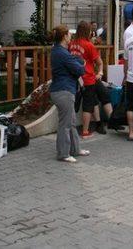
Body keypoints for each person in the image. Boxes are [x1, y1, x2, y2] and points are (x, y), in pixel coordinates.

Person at [50, 25, 90, 163]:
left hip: (63, 90)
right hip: (63, 91)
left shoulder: (59, 50)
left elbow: (74, 63)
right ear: (64, 36)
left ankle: (75, 149)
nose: (71, 37)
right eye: (69, 34)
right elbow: (79, 70)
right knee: (65, 124)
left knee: (71, 122)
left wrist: (78, 63)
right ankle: (63, 154)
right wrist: (82, 64)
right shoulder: (61, 52)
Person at [69, 21, 105, 139]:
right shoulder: (89, 45)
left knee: (75, 104)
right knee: (87, 105)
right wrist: (100, 72)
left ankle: (70, 128)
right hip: (88, 79)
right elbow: (99, 62)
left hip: (74, 79)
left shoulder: (71, 44)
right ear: (87, 31)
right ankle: (85, 131)